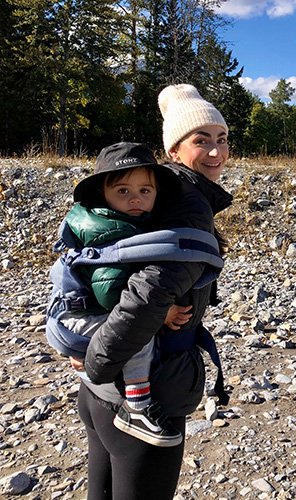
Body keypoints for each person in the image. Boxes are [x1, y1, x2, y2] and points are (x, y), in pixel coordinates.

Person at [77, 85, 233, 499]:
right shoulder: (187, 204)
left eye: (222, 139)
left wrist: (91, 362)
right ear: (173, 149)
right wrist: (98, 361)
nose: (216, 151)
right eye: (201, 140)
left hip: (99, 395)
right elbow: (150, 293)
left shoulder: (152, 192)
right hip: (143, 399)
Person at [60, 142, 197, 448]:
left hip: (78, 314)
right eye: (122, 191)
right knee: (138, 325)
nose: (135, 198)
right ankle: (136, 405)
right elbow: (111, 294)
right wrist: (162, 313)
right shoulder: (112, 231)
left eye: (145, 191)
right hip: (86, 316)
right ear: (102, 194)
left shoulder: (116, 221)